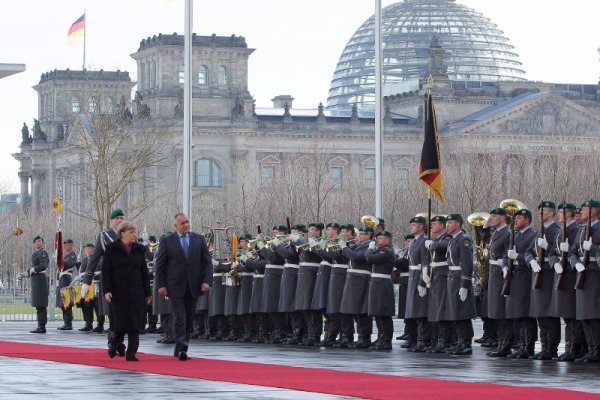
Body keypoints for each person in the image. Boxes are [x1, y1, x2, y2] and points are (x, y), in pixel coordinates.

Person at [154, 213, 213, 361]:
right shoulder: (168, 241)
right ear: (176, 226)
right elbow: (160, 265)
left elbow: (207, 263)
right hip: (175, 286)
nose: (186, 225)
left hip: (193, 285)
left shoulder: (198, 239)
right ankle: (182, 346)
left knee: (188, 317)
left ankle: (180, 347)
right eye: (182, 223)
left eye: (187, 222)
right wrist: (160, 285)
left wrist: (207, 281)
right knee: (179, 316)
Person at [102, 221, 151, 361]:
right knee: (120, 323)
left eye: (134, 232)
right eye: (131, 232)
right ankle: (114, 345)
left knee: (135, 325)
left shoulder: (139, 250)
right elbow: (106, 272)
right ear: (122, 233)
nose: (134, 235)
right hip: (118, 292)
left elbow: (144, 272)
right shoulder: (112, 249)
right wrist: (107, 290)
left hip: (136, 291)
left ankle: (131, 353)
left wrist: (147, 293)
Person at [82, 208, 127, 335]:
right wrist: (87, 281)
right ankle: (114, 340)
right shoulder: (104, 236)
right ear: (111, 221)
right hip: (111, 278)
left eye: (122, 218)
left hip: (127, 278)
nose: (120, 220)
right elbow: (94, 260)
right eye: (117, 218)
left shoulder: (129, 234)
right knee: (113, 311)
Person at [444, 214, 477, 355]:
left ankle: (466, 343)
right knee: (455, 312)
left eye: (451, 222)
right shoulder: (452, 240)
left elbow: (467, 264)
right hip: (452, 277)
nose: (448, 225)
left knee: (462, 313)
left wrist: (465, 284)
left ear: (458, 224)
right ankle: (459, 341)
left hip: (459, 278)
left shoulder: (464, 240)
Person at [365, 230, 396, 350]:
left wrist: (369, 249)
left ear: (387, 239)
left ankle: (386, 340)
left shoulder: (387, 251)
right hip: (377, 283)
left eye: (381, 238)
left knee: (383, 313)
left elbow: (369, 258)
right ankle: (381, 337)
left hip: (383, 284)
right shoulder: (381, 250)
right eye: (377, 239)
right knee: (377, 313)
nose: (378, 241)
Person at [24, 236, 49, 333]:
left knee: (41, 304)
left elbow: (43, 266)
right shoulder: (36, 252)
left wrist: (33, 270)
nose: (38, 243)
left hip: (40, 280)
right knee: (38, 304)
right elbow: (34, 266)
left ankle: (42, 326)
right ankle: (40, 325)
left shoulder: (43, 252)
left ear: (42, 242)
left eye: (39, 241)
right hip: (36, 279)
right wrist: (28, 272)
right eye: (36, 241)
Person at [56, 239, 78, 330]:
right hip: (62, 279)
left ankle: (68, 323)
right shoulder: (66, 256)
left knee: (66, 301)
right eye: (64, 245)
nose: (66, 247)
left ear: (71, 245)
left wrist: (60, 260)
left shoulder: (72, 255)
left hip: (66, 279)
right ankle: (66, 322)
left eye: (67, 245)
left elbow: (69, 264)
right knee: (62, 302)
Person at [78, 243, 95, 332]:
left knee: (91, 304)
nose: (85, 251)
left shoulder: (95, 257)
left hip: (91, 283)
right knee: (84, 304)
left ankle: (95, 323)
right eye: (85, 249)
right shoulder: (85, 258)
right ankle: (87, 322)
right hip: (83, 282)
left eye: (87, 249)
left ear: (91, 249)